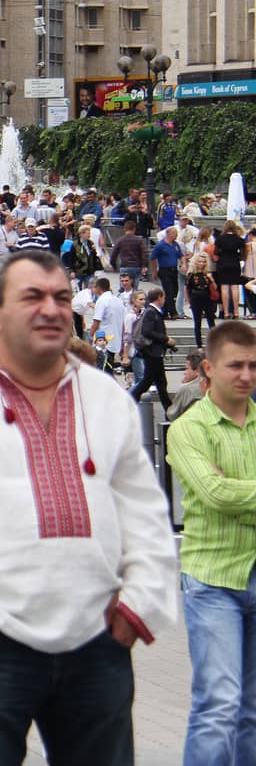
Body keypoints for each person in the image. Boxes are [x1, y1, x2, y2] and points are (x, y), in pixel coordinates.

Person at [0, 252, 179, 766]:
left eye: (62, 297)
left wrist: (137, 609)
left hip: (98, 640)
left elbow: (146, 515)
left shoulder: (106, 398)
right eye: (33, 297)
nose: (51, 309)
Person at [166, 320, 256, 765]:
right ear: (208, 367)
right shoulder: (188, 428)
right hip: (212, 578)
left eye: (253, 366)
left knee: (252, 711)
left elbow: (226, 492)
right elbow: (214, 495)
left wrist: (235, 490)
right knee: (219, 704)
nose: (246, 375)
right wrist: (232, 491)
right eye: (235, 365)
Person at [128, 287, 173, 412]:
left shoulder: (153, 311)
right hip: (152, 352)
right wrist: (165, 339)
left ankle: (168, 409)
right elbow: (147, 331)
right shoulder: (151, 312)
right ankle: (129, 402)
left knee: (160, 383)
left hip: (155, 352)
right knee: (149, 381)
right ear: (159, 297)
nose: (164, 300)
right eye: (163, 297)